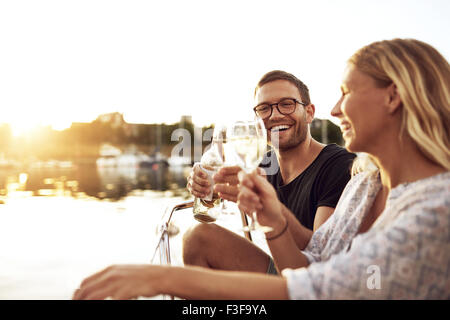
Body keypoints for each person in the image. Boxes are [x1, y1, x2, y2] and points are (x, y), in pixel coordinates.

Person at [73, 38, 450, 300]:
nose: (337, 110)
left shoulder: (435, 212)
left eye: (346, 92)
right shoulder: (365, 183)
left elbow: (324, 288)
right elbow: (313, 259)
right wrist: (268, 213)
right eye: (263, 109)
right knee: (197, 239)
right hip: (299, 278)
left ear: (394, 96)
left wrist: (161, 276)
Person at [183, 70, 355, 275]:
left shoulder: (339, 165)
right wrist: (207, 189)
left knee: (198, 239)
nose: (274, 115)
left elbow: (322, 254)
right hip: (280, 271)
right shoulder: (261, 165)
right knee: (196, 238)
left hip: (313, 281)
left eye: (287, 104)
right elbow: (213, 204)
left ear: (309, 112)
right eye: (264, 108)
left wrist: (268, 209)